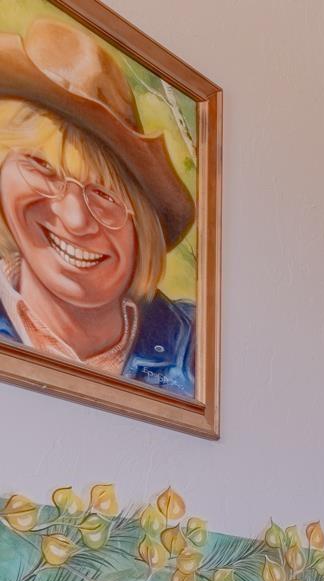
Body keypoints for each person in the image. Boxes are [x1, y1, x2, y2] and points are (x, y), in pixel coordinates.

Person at [0, 18, 197, 397]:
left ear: (143, 223)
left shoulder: (195, 347)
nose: (74, 220)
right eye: (42, 167)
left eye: (105, 193)